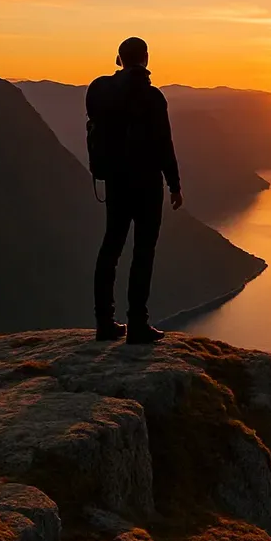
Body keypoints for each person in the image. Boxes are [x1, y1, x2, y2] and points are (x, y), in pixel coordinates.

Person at [87, 37, 183, 344]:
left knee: (110, 249)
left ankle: (104, 322)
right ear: (146, 59)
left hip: (115, 181)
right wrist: (175, 184)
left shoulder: (99, 91)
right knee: (143, 252)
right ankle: (137, 324)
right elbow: (163, 144)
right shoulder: (152, 97)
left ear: (119, 59)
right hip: (145, 184)